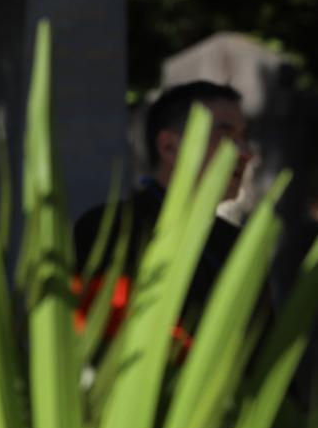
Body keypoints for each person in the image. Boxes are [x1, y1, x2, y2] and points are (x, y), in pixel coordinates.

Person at [72, 81, 250, 301]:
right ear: (170, 147)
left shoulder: (240, 243)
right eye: (226, 135)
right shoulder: (112, 230)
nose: (245, 152)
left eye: (243, 137)